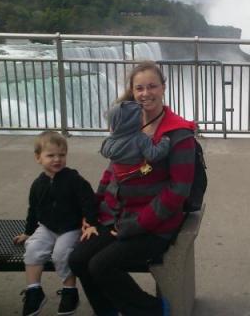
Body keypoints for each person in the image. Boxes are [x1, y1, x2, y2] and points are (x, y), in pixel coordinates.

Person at [69, 61, 196, 316]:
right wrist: (92, 210)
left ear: (163, 88)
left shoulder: (179, 133)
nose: (145, 93)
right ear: (132, 91)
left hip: (154, 225)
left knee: (101, 266)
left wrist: (136, 225)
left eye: (152, 86)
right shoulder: (128, 124)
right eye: (139, 88)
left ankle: (153, 310)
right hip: (117, 216)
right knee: (78, 260)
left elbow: (178, 190)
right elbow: (111, 171)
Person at [13, 131, 98, 316]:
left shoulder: (74, 180)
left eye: (61, 155)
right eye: (50, 155)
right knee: (33, 248)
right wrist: (28, 232)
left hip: (70, 228)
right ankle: (34, 290)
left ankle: (70, 291)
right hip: (47, 227)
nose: (57, 159)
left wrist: (91, 223)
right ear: (38, 158)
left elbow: (88, 201)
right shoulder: (38, 185)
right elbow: (33, 210)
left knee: (61, 253)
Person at [100, 100, 171, 169]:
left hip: (119, 176)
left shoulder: (110, 140)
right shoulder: (140, 138)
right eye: (141, 116)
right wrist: (164, 142)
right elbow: (153, 155)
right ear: (134, 121)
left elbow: (104, 152)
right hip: (136, 176)